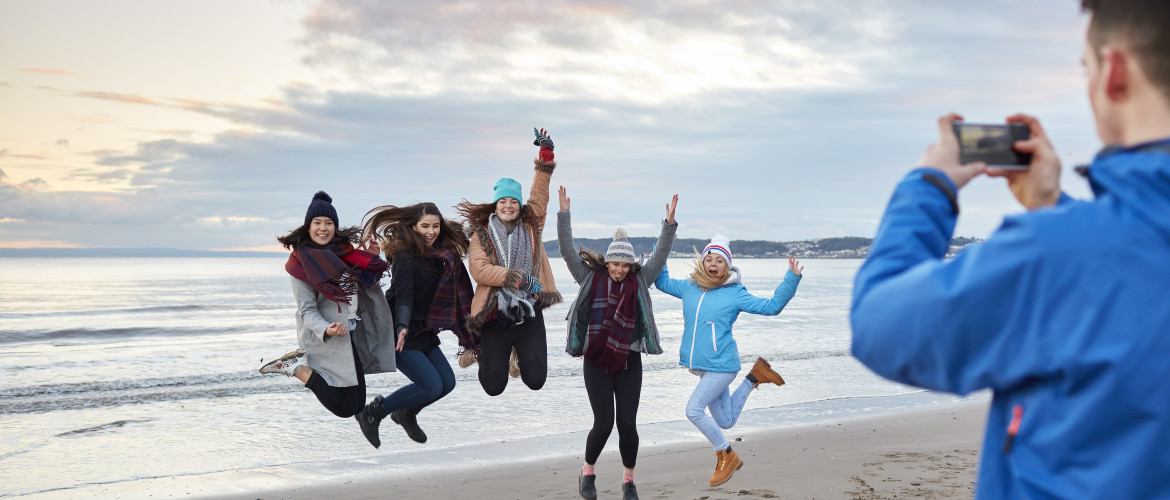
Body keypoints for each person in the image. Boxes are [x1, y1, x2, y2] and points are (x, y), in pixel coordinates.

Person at [850, 1, 1170, 497]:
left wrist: (929, 186)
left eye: (1087, 68)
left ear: (1114, 72)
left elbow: (879, 322)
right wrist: (1049, 207)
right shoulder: (1074, 250)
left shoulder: (1061, 255)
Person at [557, 187, 679, 500]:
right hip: (595, 360)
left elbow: (660, 256)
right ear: (608, 261)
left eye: (625, 265)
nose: (620, 270)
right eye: (615, 264)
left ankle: (628, 481)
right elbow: (569, 251)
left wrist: (668, 226)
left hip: (629, 360)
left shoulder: (640, 279)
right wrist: (564, 215)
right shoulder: (589, 278)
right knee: (604, 423)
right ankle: (587, 472)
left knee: (627, 424)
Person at [654, 237, 802, 486]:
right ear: (703, 262)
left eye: (719, 260)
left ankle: (726, 455)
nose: (713, 263)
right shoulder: (690, 287)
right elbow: (662, 281)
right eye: (709, 259)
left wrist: (791, 278)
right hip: (705, 367)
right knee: (725, 420)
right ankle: (756, 375)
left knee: (693, 410)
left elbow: (772, 307)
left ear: (727, 266)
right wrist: (664, 245)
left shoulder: (735, 294)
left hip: (722, 366)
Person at [259, 191, 397, 430]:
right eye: (317, 223)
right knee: (345, 408)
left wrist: (370, 258)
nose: (323, 228)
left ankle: (297, 368)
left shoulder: (343, 254)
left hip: (348, 333)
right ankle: (296, 368)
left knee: (357, 404)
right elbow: (306, 310)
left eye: (328, 223)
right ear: (308, 226)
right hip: (324, 337)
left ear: (335, 226)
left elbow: (361, 284)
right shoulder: (299, 263)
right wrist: (327, 328)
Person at [352, 202, 476, 448]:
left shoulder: (442, 256)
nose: (431, 231)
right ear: (413, 226)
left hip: (424, 329)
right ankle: (373, 412)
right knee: (430, 386)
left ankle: (405, 413)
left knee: (447, 383)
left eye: (436, 226)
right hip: (400, 330)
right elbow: (404, 297)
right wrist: (401, 327)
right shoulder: (404, 256)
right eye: (425, 226)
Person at [455, 128, 562, 396]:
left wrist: (545, 158)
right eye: (502, 201)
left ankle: (518, 356)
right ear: (495, 205)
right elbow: (478, 269)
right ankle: (484, 352)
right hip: (494, 311)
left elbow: (540, 194)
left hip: (527, 308)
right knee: (493, 386)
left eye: (513, 201)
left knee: (536, 380)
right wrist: (512, 277)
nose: (508, 206)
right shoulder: (482, 233)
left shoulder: (531, 225)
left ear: (519, 205)